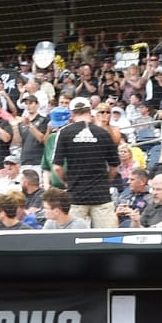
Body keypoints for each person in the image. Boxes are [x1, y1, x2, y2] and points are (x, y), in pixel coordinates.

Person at [51, 96, 119, 228]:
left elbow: (57, 167)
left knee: (74, 240)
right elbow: (114, 167)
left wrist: (67, 182)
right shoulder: (103, 133)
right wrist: (105, 182)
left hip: (76, 196)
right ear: (90, 110)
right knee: (109, 240)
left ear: (72, 113)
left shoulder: (64, 133)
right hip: (101, 196)